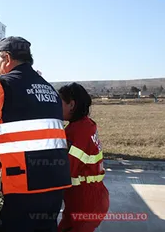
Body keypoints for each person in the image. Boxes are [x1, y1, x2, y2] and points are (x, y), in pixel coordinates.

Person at [0, 36, 72, 232]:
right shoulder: (50, 90)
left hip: (22, 187)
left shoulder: (0, 86)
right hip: (55, 185)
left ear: (6, 58)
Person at [57, 82, 110, 232]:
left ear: (71, 105)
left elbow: (66, 170)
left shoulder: (78, 131)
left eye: (59, 102)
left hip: (86, 203)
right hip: (86, 198)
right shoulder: (86, 124)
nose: (55, 107)